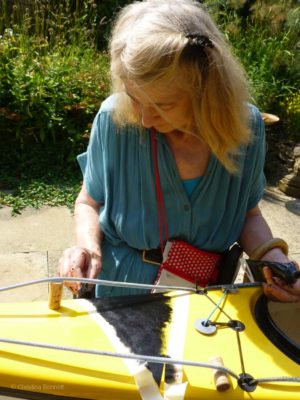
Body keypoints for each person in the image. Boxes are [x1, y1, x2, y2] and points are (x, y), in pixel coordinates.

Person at [58, 0, 300, 302]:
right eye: (133, 96)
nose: (144, 118)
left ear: (206, 90)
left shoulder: (247, 128)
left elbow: (248, 215)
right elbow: (88, 201)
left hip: (204, 304)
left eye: (163, 106)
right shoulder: (113, 119)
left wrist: (276, 260)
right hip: (120, 298)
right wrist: (87, 247)